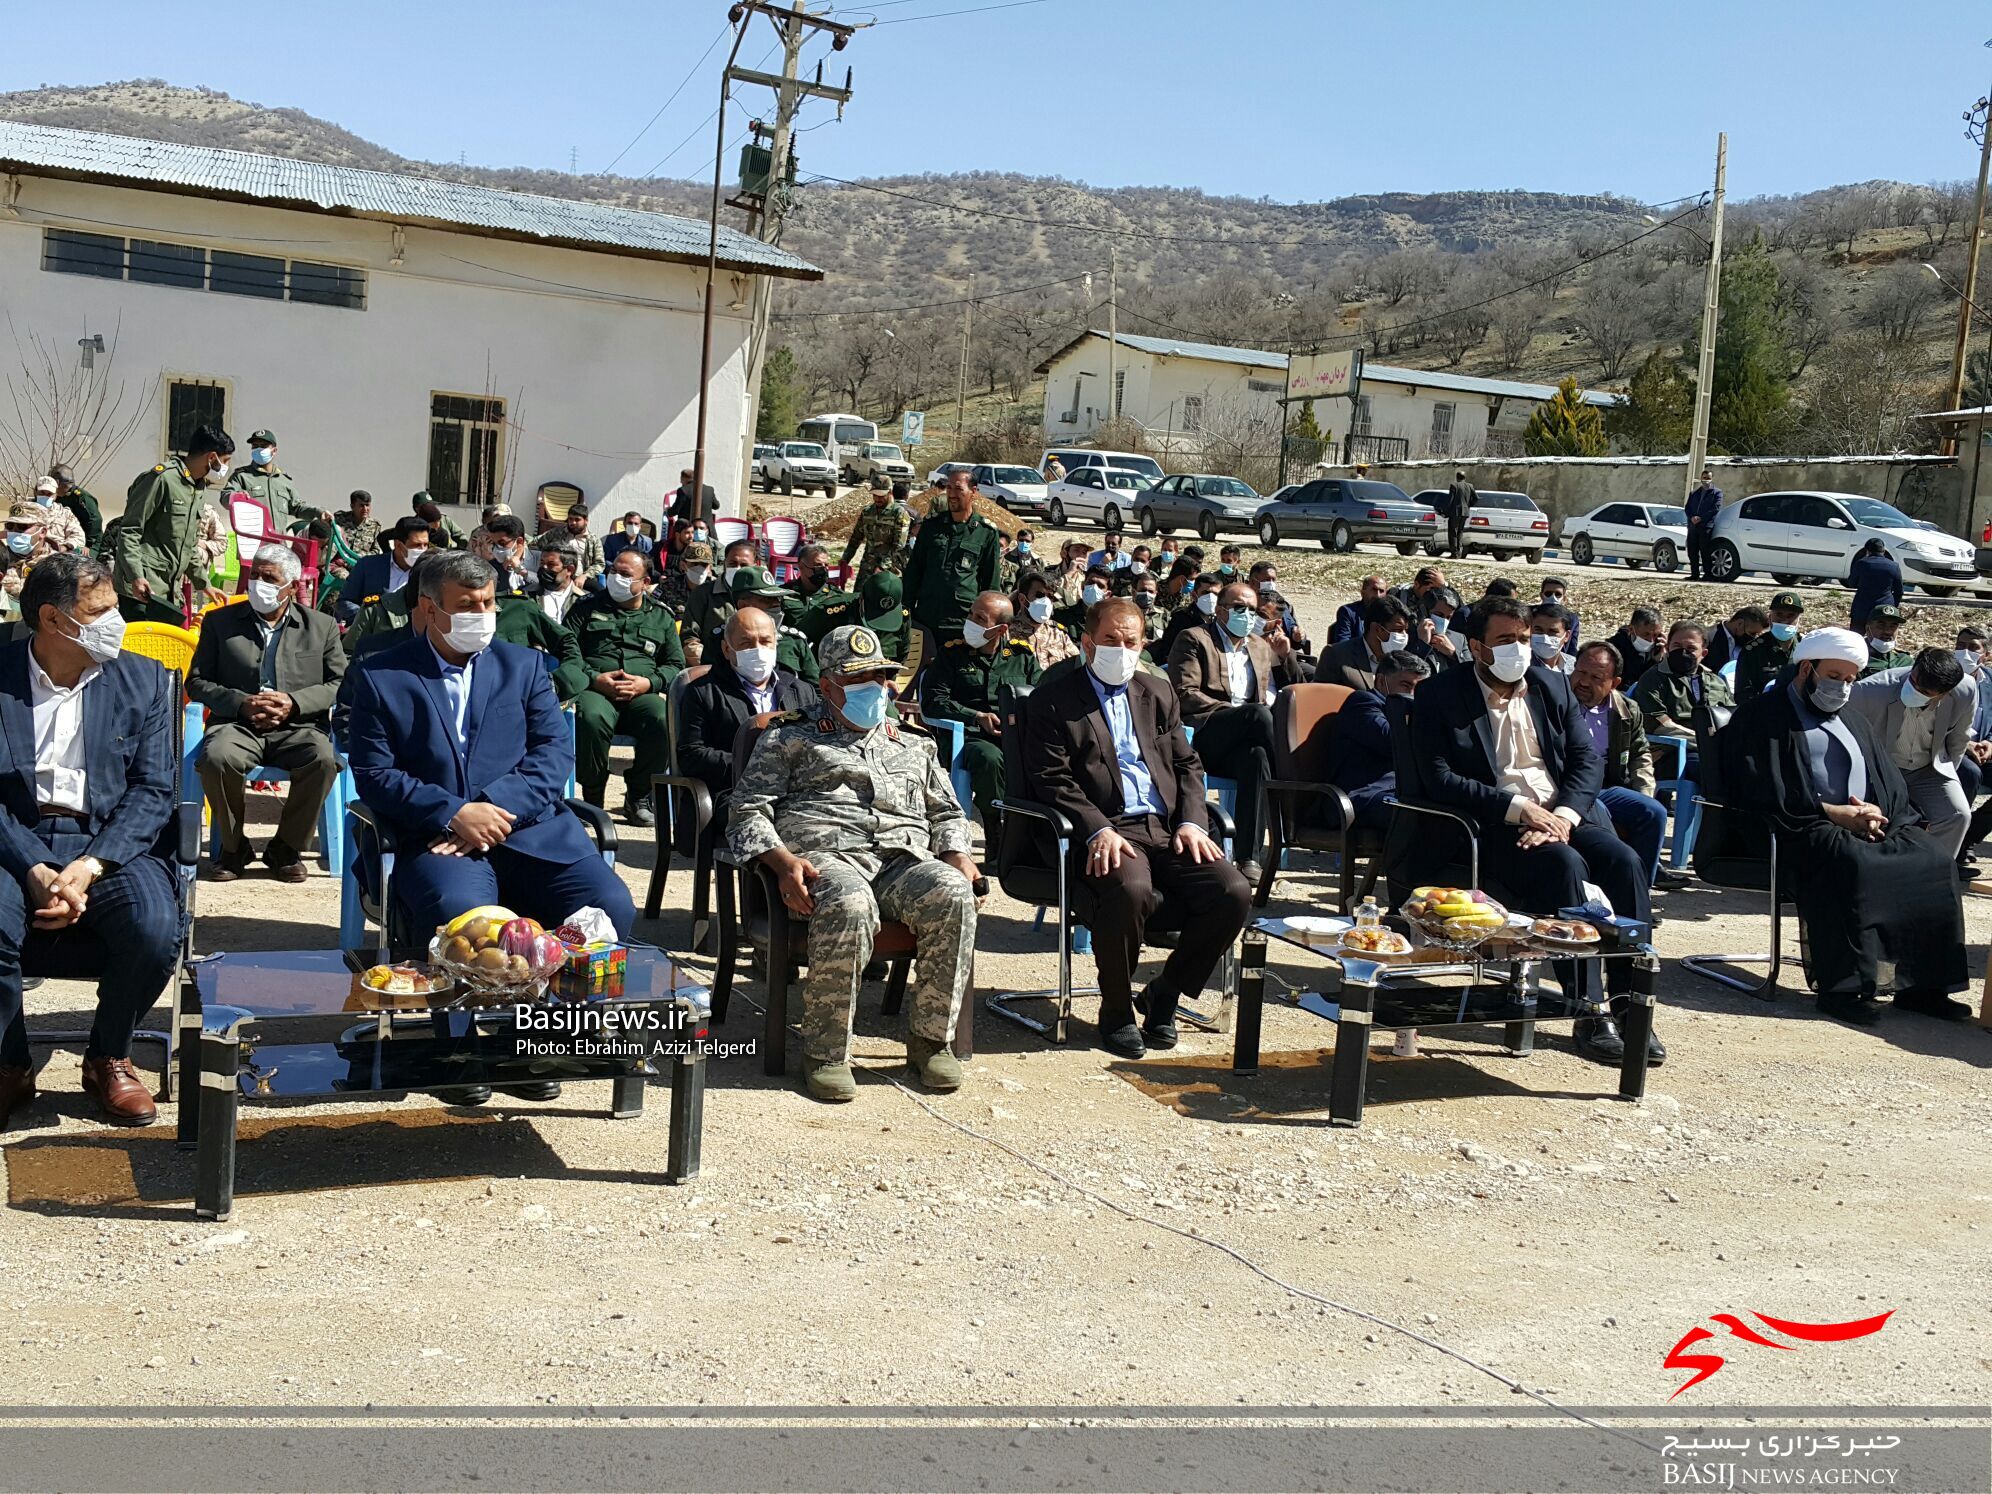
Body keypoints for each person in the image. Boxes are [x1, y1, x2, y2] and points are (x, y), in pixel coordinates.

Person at [729, 625, 979, 1101]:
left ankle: (931, 1041)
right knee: (849, 902)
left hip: (900, 857)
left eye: (881, 678)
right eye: (859, 681)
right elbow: (746, 809)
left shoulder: (913, 741)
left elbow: (947, 810)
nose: (876, 689)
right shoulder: (790, 736)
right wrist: (781, 862)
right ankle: (824, 1052)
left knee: (951, 892)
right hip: (825, 857)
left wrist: (956, 853)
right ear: (826, 686)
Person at [346, 551, 635, 956]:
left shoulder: (524, 666)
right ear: (430, 609)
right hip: (437, 841)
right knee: (463, 923)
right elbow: (375, 774)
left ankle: (544, 1009)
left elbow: (552, 753)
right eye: (466, 605)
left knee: (608, 907)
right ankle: (462, 1016)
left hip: (532, 833)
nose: (481, 614)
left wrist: (489, 809)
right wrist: (455, 814)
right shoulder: (382, 677)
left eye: (487, 602)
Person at [1410, 596, 1659, 1063]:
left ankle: (1632, 1005)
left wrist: (1562, 817)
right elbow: (1439, 778)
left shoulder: (1552, 686)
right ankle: (1589, 1009)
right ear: (1477, 647)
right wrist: (1521, 809)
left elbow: (1588, 759)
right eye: (1506, 641)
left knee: (1624, 862)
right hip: (1492, 826)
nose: (1519, 650)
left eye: (1523, 640)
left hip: (1561, 816)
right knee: (1562, 867)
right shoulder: (1441, 694)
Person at [0, 553, 183, 1127]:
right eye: (101, 610)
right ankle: (9, 1066)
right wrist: (33, 866)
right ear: (53, 620)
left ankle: (109, 1055)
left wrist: (89, 865)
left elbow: (154, 790)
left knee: (155, 927)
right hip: (14, 836)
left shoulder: (146, 678)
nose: (118, 621)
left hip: (107, 840)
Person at [1028, 597, 1252, 1059]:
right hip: (1106, 829)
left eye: (1131, 641)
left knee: (1232, 890)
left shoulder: (1157, 691)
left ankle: (1166, 992)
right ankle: (1116, 1010)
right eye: (1110, 640)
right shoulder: (1054, 699)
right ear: (1087, 643)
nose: (1121, 649)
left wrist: (1192, 821)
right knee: (1130, 891)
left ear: (1143, 643)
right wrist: (1094, 828)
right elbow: (1051, 778)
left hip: (1167, 828)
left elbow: (1188, 764)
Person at [1720, 627, 1968, 1024]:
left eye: (1850, 680)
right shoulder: (1762, 717)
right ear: (1806, 669)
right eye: (1834, 677)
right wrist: (1832, 812)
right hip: (1795, 826)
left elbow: (1886, 779)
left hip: (1859, 822)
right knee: (1852, 863)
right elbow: (1758, 789)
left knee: (1934, 860)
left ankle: (1921, 986)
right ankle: (1845, 988)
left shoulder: (1851, 717)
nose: (1842, 687)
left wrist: (1875, 813)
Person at [187, 543, 345, 883]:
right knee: (216, 757)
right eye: (254, 575)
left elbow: (339, 683)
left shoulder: (321, 627)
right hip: (237, 724)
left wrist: (294, 702)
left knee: (323, 759)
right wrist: (240, 702)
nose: (258, 583)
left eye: (269, 578)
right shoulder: (220, 622)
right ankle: (234, 847)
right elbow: (197, 682)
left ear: (290, 586)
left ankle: (285, 848)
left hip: (298, 727)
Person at [1165, 580, 1304, 878]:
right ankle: (1297, 789)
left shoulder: (1258, 645)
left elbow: (1295, 689)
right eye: (1238, 608)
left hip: (1247, 740)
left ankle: (1248, 858)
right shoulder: (1194, 638)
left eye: (1251, 610)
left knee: (1256, 758)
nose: (1246, 615)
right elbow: (1184, 693)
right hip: (1205, 734)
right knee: (1258, 714)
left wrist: (1285, 655)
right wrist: (1237, 713)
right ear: (1219, 610)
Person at [675, 607, 820, 867]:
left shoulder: (801, 692)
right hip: (733, 794)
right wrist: (752, 765)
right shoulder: (704, 692)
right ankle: (766, 901)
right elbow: (691, 754)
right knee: (780, 825)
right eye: (746, 643)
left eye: (765, 641)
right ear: (727, 649)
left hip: (794, 791)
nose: (758, 649)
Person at [566, 549, 685, 824]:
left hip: (641, 695)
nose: (616, 578)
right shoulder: (585, 608)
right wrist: (594, 677)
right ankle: (592, 797)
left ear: (645, 583)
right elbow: (566, 652)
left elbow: (675, 664)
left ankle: (638, 796)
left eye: (625, 574)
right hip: (595, 690)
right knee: (590, 718)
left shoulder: (661, 616)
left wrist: (648, 683)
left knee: (663, 717)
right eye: (613, 572)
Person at [922, 590, 1042, 830]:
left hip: (1015, 736)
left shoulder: (1022, 656)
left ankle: (1036, 833)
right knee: (990, 758)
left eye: (979, 618)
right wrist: (976, 717)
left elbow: (1039, 698)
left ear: (1000, 630)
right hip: (967, 738)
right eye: (971, 613)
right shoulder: (951, 653)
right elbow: (933, 701)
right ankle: (996, 830)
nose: (970, 621)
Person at [1845, 647, 1975, 862]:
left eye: (1925, 692)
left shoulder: (1966, 690)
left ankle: (1933, 876)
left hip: (1928, 769)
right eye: (1913, 681)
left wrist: (1949, 773)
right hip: (1881, 772)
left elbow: (1959, 738)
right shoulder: (1869, 691)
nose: (1915, 690)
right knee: (1874, 823)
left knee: (1958, 816)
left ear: (1945, 693)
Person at [1570, 641, 1679, 892]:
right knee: (1598, 814)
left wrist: (1643, 792)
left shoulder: (1626, 710)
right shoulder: (1557, 700)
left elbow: (1640, 754)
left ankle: (1639, 895)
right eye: (1580, 673)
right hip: (1570, 786)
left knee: (1653, 812)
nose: (1584, 682)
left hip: (1608, 784)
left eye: (1596, 677)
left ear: (1614, 683)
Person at [112, 423, 235, 623]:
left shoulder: (198, 487)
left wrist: (204, 584)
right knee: (136, 652)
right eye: (225, 461)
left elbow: (189, 546)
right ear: (212, 457)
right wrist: (135, 575)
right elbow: (130, 531)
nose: (226, 469)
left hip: (169, 592)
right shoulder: (162, 479)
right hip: (142, 590)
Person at [1328, 652, 1428, 833]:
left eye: (1418, 689)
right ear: (1381, 681)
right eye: (1405, 686)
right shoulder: (1363, 703)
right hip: (1362, 797)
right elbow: (1392, 741)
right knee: (1422, 819)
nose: (1412, 695)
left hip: (1397, 792)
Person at [901, 470, 1002, 639]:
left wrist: (985, 626)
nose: (952, 495)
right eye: (948, 488)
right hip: (926, 618)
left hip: (962, 622)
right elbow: (914, 571)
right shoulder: (931, 527)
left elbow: (990, 584)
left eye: (958, 489)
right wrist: (906, 611)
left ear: (973, 492)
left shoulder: (986, 533)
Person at [1630, 620, 1733, 770]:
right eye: (1677, 646)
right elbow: (1658, 724)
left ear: (1703, 653)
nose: (1683, 652)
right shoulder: (1654, 678)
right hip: (1671, 751)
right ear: (1667, 647)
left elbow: (1731, 716)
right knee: (1715, 768)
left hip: (1716, 747)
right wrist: (1705, 742)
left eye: (1691, 648)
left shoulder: (1716, 682)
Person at [730, 567, 820, 683]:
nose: (776, 604)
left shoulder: (794, 641)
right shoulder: (723, 640)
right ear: (743, 605)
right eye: (767, 599)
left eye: (778, 598)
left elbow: (816, 688)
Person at [338, 515, 431, 626]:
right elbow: (344, 602)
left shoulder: (430, 572)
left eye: (425, 545)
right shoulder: (368, 566)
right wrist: (368, 619)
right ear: (398, 545)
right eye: (416, 545)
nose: (422, 550)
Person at [228, 429, 317, 533]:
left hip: (279, 544)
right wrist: (236, 496)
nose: (259, 449)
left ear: (274, 451)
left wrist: (318, 512)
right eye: (255, 446)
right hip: (255, 543)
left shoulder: (284, 480)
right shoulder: (242, 476)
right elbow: (226, 495)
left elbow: (297, 507)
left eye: (263, 445)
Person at [1321, 596, 1414, 691]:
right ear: (1376, 628)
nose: (1404, 636)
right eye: (1398, 630)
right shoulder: (1337, 655)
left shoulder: (1401, 659)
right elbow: (1321, 697)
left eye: (1405, 631)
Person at [684, 537, 751, 657]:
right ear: (724, 563)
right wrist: (713, 667)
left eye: (744, 565)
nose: (738, 569)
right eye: (732, 564)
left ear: (755, 565)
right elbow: (690, 639)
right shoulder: (702, 594)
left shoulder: (762, 596)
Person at [841, 475, 912, 583]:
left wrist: (882, 567)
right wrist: (845, 559)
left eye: (881, 495)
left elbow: (898, 546)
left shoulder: (899, 513)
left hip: (889, 570)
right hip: (867, 567)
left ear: (890, 492)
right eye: (875, 495)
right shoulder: (867, 512)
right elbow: (855, 539)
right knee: (859, 597)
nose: (877, 498)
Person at [1734, 592, 1804, 698]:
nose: (1784, 620)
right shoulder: (1753, 651)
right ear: (1770, 618)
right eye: (1779, 615)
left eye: (1790, 616)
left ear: (1799, 620)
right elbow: (1743, 694)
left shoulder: (1805, 647)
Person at [1010, 572, 1079, 671]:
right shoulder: (1006, 633)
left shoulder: (1058, 634)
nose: (1046, 602)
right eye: (1039, 595)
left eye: (1050, 597)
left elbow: (1077, 667)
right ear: (1022, 599)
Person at [536, 502, 605, 587]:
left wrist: (584, 576)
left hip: (580, 579)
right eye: (570, 519)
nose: (573, 523)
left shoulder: (593, 540)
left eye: (577, 519)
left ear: (586, 520)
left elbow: (600, 564)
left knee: (599, 589)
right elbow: (537, 542)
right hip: (556, 575)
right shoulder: (557, 532)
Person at [1847, 539, 1901, 630]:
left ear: (1867, 551)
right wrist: (1892, 607)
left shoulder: (1862, 563)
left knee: (1857, 638)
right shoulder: (1894, 566)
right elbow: (1899, 591)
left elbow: (1851, 583)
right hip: (1884, 608)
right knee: (1881, 638)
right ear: (1883, 551)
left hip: (1862, 608)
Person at [47, 464, 102, 553]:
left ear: (57, 482)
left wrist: (88, 546)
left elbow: (95, 522)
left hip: (87, 543)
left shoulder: (82, 498)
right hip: (64, 539)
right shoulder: (53, 496)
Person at [1606, 607, 1663, 688]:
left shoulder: (1658, 648)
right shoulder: (1613, 649)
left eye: (1655, 635)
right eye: (1646, 634)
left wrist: (1659, 661)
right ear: (1631, 629)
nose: (1651, 640)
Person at [1411, 586, 1466, 670]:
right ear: (1424, 611)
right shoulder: (1407, 636)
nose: (1443, 620)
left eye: (1448, 617)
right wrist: (1422, 645)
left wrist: (1453, 654)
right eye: (1439, 615)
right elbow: (1405, 672)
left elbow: (1470, 673)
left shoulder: (1460, 639)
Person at [329, 490, 380, 579]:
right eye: (361, 505)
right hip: (340, 564)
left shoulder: (374, 525)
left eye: (367, 505)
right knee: (346, 579)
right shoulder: (340, 519)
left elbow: (376, 550)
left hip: (361, 565)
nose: (365, 509)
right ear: (352, 506)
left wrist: (361, 556)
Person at [28, 479, 86, 554]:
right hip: (29, 553)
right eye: (42, 492)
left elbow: (79, 536)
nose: (45, 496)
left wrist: (64, 547)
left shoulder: (65, 513)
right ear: (35, 492)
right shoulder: (25, 509)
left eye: (49, 494)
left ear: (55, 495)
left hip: (56, 556)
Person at [1684, 470, 1722, 581]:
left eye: (1708, 478)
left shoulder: (1717, 493)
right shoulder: (1694, 493)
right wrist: (1692, 517)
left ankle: (1707, 574)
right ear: (1701, 478)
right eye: (1704, 477)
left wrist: (1701, 518)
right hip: (1692, 526)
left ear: (1712, 478)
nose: (1706, 480)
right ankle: (1694, 574)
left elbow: (1716, 508)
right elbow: (1687, 508)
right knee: (1692, 551)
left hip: (1705, 526)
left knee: (1705, 551)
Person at [1857, 603, 1913, 677]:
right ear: (1868, 629)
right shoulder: (1856, 657)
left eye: (1893, 626)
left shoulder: (1905, 660)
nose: (1887, 631)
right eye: (1881, 625)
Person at [1329, 574, 1387, 647]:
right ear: (1363, 592)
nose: (1378, 595)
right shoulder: (1348, 612)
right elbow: (1343, 644)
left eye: (1381, 591)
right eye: (1374, 590)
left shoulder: (1389, 614)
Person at [1704, 604, 1763, 674]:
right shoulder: (1709, 637)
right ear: (1740, 623)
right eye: (1752, 633)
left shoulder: (1745, 643)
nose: (1754, 637)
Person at [534, 545, 584, 625]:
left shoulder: (583, 600)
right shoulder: (528, 595)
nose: (544, 567)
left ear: (570, 570)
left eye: (551, 564)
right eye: (542, 563)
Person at [1527, 603, 1577, 676]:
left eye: (1552, 631)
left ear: (1566, 636)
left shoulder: (1575, 667)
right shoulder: (1521, 665)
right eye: (1538, 630)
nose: (1544, 637)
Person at [1537, 577, 1580, 652]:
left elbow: (1572, 648)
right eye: (1548, 594)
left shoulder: (1572, 618)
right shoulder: (1530, 613)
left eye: (1558, 594)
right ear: (1541, 595)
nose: (1553, 597)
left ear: (1564, 598)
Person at [1443, 468, 1475, 558]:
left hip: (1455, 512)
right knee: (1460, 532)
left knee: (1453, 532)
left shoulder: (1454, 485)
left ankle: (1454, 553)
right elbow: (1476, 498)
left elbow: (1450, 500)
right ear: (1464, 477)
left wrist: (1446, 511)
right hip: (1465, 513)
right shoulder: (1470, 486)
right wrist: (1468, 505)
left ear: (1457, 477)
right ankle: (1459, 553)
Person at [1051, 539, 1090, 606]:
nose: (1080, 555)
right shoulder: (1049, 572)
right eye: (1076, 550)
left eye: (1084, 552)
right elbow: (1050, 591)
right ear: (1064, 553)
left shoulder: (1087, 578)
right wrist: (1070, 573)